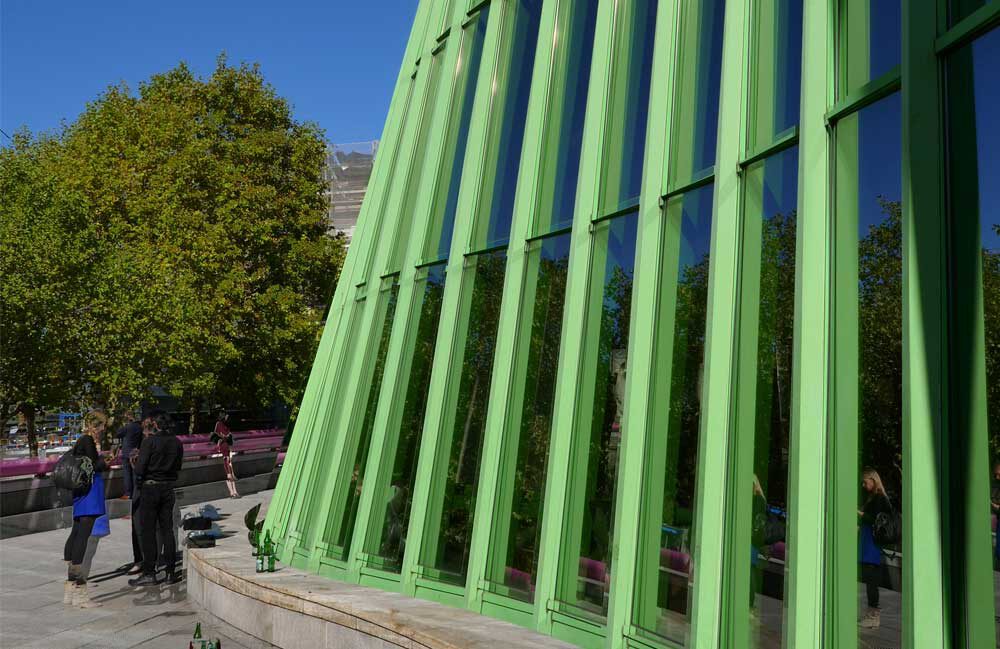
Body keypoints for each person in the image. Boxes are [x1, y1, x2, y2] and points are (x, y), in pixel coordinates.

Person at [63, 411, 111, 608]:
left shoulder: (80, 441)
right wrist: (106, 461)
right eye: (102, 427)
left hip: (81, 494)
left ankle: (69, 589)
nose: (103, 431)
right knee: (83, 535)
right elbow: (94, 466)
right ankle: (80, 591)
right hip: (90, 494)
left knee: (76, 533)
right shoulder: (88, 441)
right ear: (96, 426)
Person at [129, 413, 184, 586]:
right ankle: (170, 572)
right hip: (168, 487)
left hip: (150, 487)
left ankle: (150, 572)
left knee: (149, 531)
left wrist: (133, 462)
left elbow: (139, 469)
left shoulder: (149, 442)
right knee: (167, 530)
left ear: (156, 425)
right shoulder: (177, 442)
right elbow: (178, 466)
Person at [858, 468, 892, 629]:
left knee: (871, 579)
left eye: (865, 482)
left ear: (873, 480)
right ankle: (870, 613)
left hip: (872, 545)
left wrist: (860, 514)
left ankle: (873, 615)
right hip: (868, 543)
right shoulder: (874, 498)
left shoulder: (879, 499)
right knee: (869, 578)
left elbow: (878, 521)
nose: (864, 485)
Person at [211, 411, 239, 498]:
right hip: (223, 448)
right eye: (226, 416)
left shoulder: (226, 425)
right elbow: (215, 434)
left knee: (230, 469)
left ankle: (234, 491)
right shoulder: (219, 424)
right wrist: (222, 437)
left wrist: (227, 437)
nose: (227, 418)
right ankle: (232, 492)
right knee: (229, 472)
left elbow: (229, 437)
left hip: (227, 448)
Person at [115, 411, 143, 499]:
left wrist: (123, 425)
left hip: (126, 453)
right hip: (135, 453)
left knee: (127, 474)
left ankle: (128, 493)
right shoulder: (139, 427)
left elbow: (118, 433)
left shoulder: (127, 427)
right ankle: (136, 493)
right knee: (135, 474)